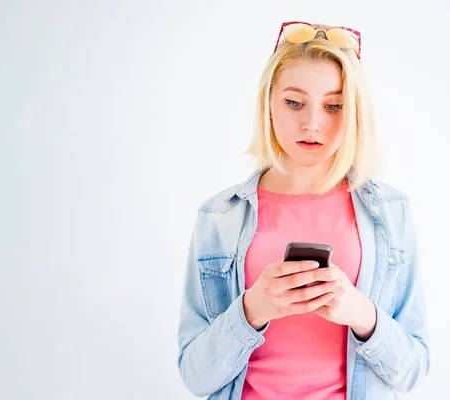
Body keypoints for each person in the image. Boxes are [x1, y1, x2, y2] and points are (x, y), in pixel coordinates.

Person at [177, 21, 430, 400]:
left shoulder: (391, 213)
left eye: (334, 106)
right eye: (294, 102)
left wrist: (362, 314)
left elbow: (413, 371)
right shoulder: (219, 216)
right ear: (269, 103)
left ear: (355, 112)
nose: (312, 123)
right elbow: (195, 377)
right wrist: (253, 308)